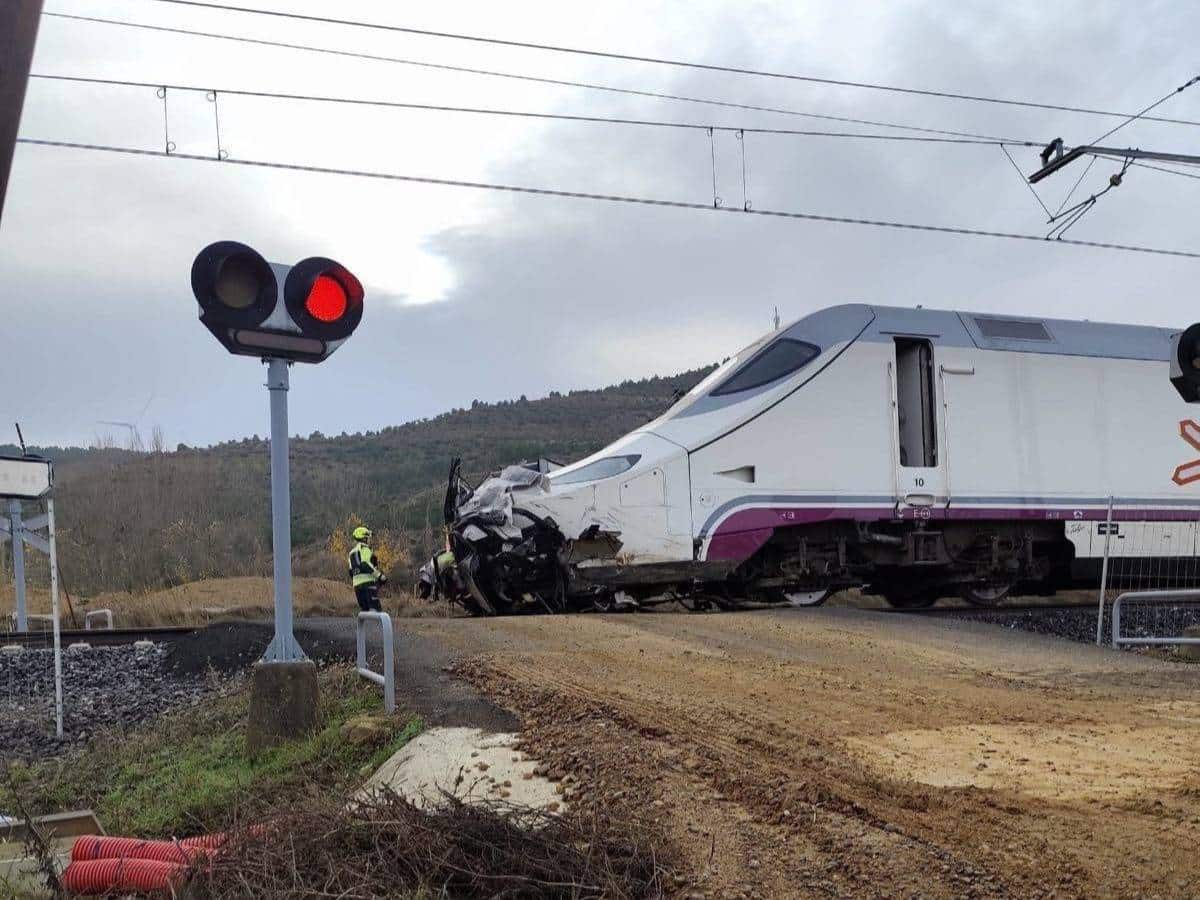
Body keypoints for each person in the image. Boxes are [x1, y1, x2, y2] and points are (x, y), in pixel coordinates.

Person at [348, 525, 386, 612]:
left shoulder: (352, 552)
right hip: (368, 585)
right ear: (364, 539)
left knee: (365, 611)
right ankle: (378, 626)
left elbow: (351, 572)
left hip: (357, 586)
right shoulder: (365, 549)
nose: (369, 540)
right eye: (368, 537)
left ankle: (364, 626)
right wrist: (380, 576)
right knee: (375, 610)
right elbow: (365, 565)